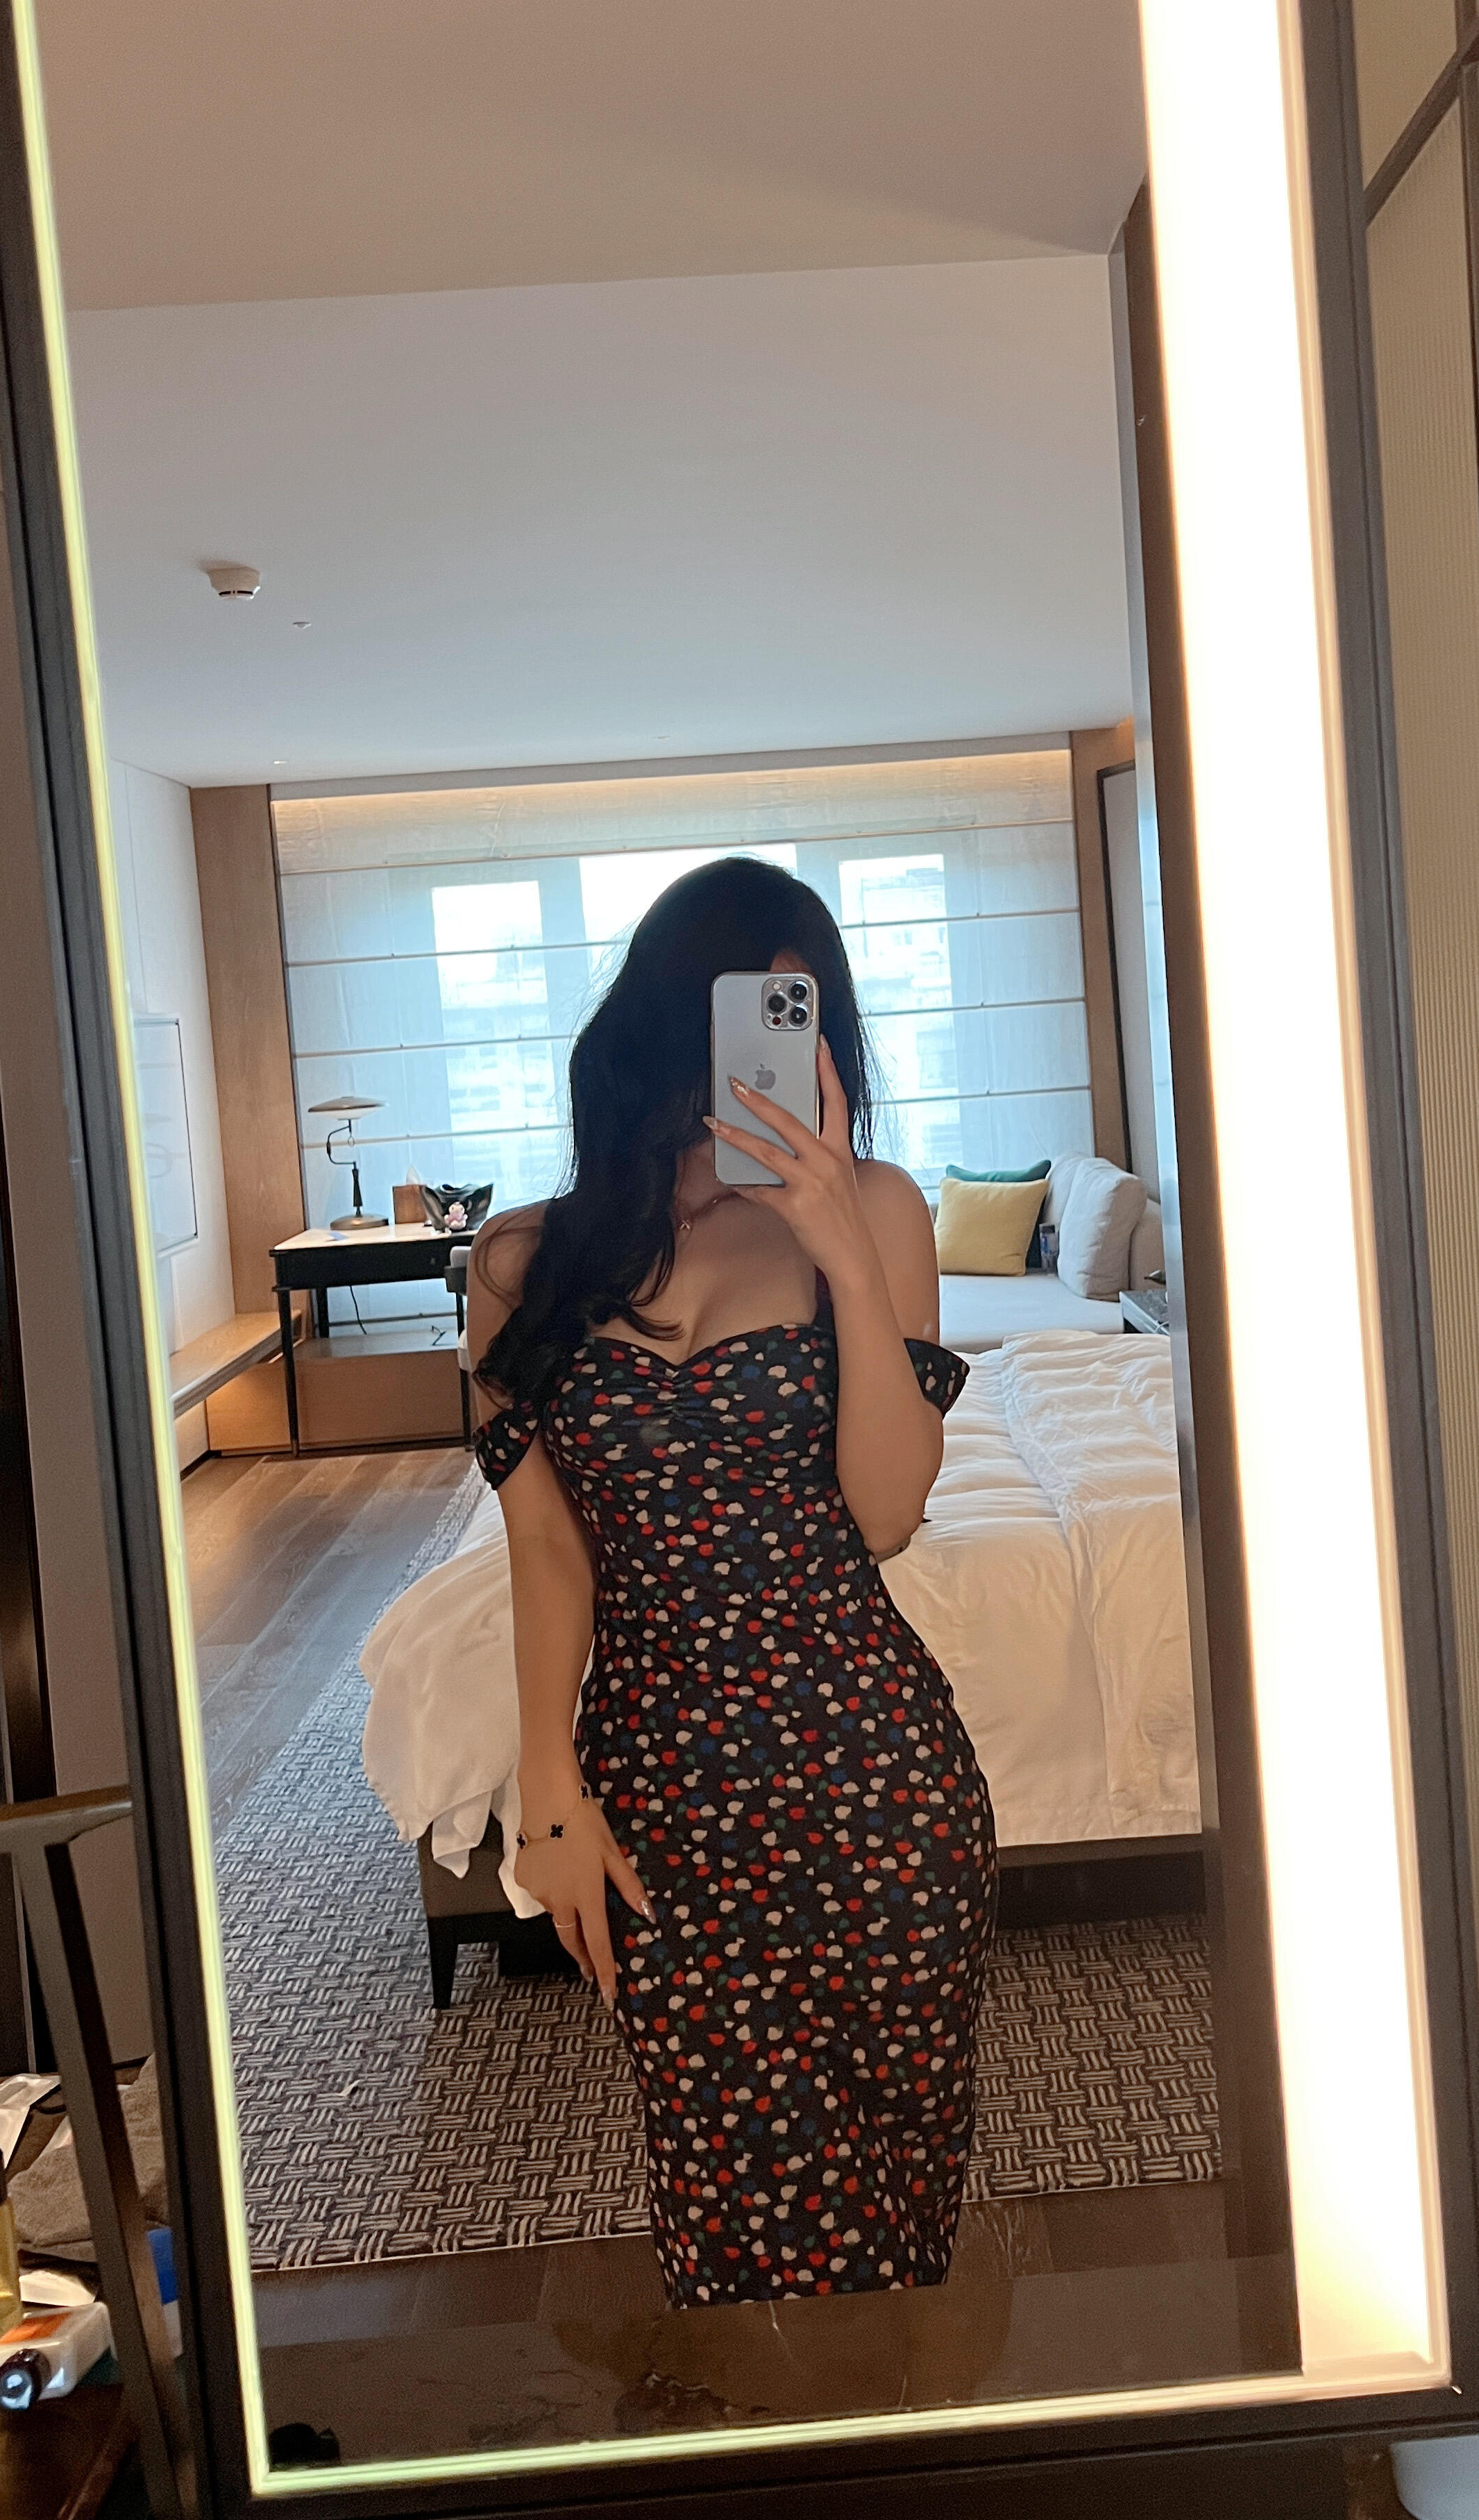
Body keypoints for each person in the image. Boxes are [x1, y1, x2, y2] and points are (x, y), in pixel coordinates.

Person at [467, 856, 995, 2308]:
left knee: (893, 2207)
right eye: (748, 1009)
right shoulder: (521, 1261)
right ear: (666, 1018)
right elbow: (546, 1547)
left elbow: (887, 1516)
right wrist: (549, 1789)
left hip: (877, 1780)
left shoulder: (877, 1209)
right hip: (665, 1790)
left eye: (801, 1015)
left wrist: (843, 1253)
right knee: (723, 2199)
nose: (773, 1046)